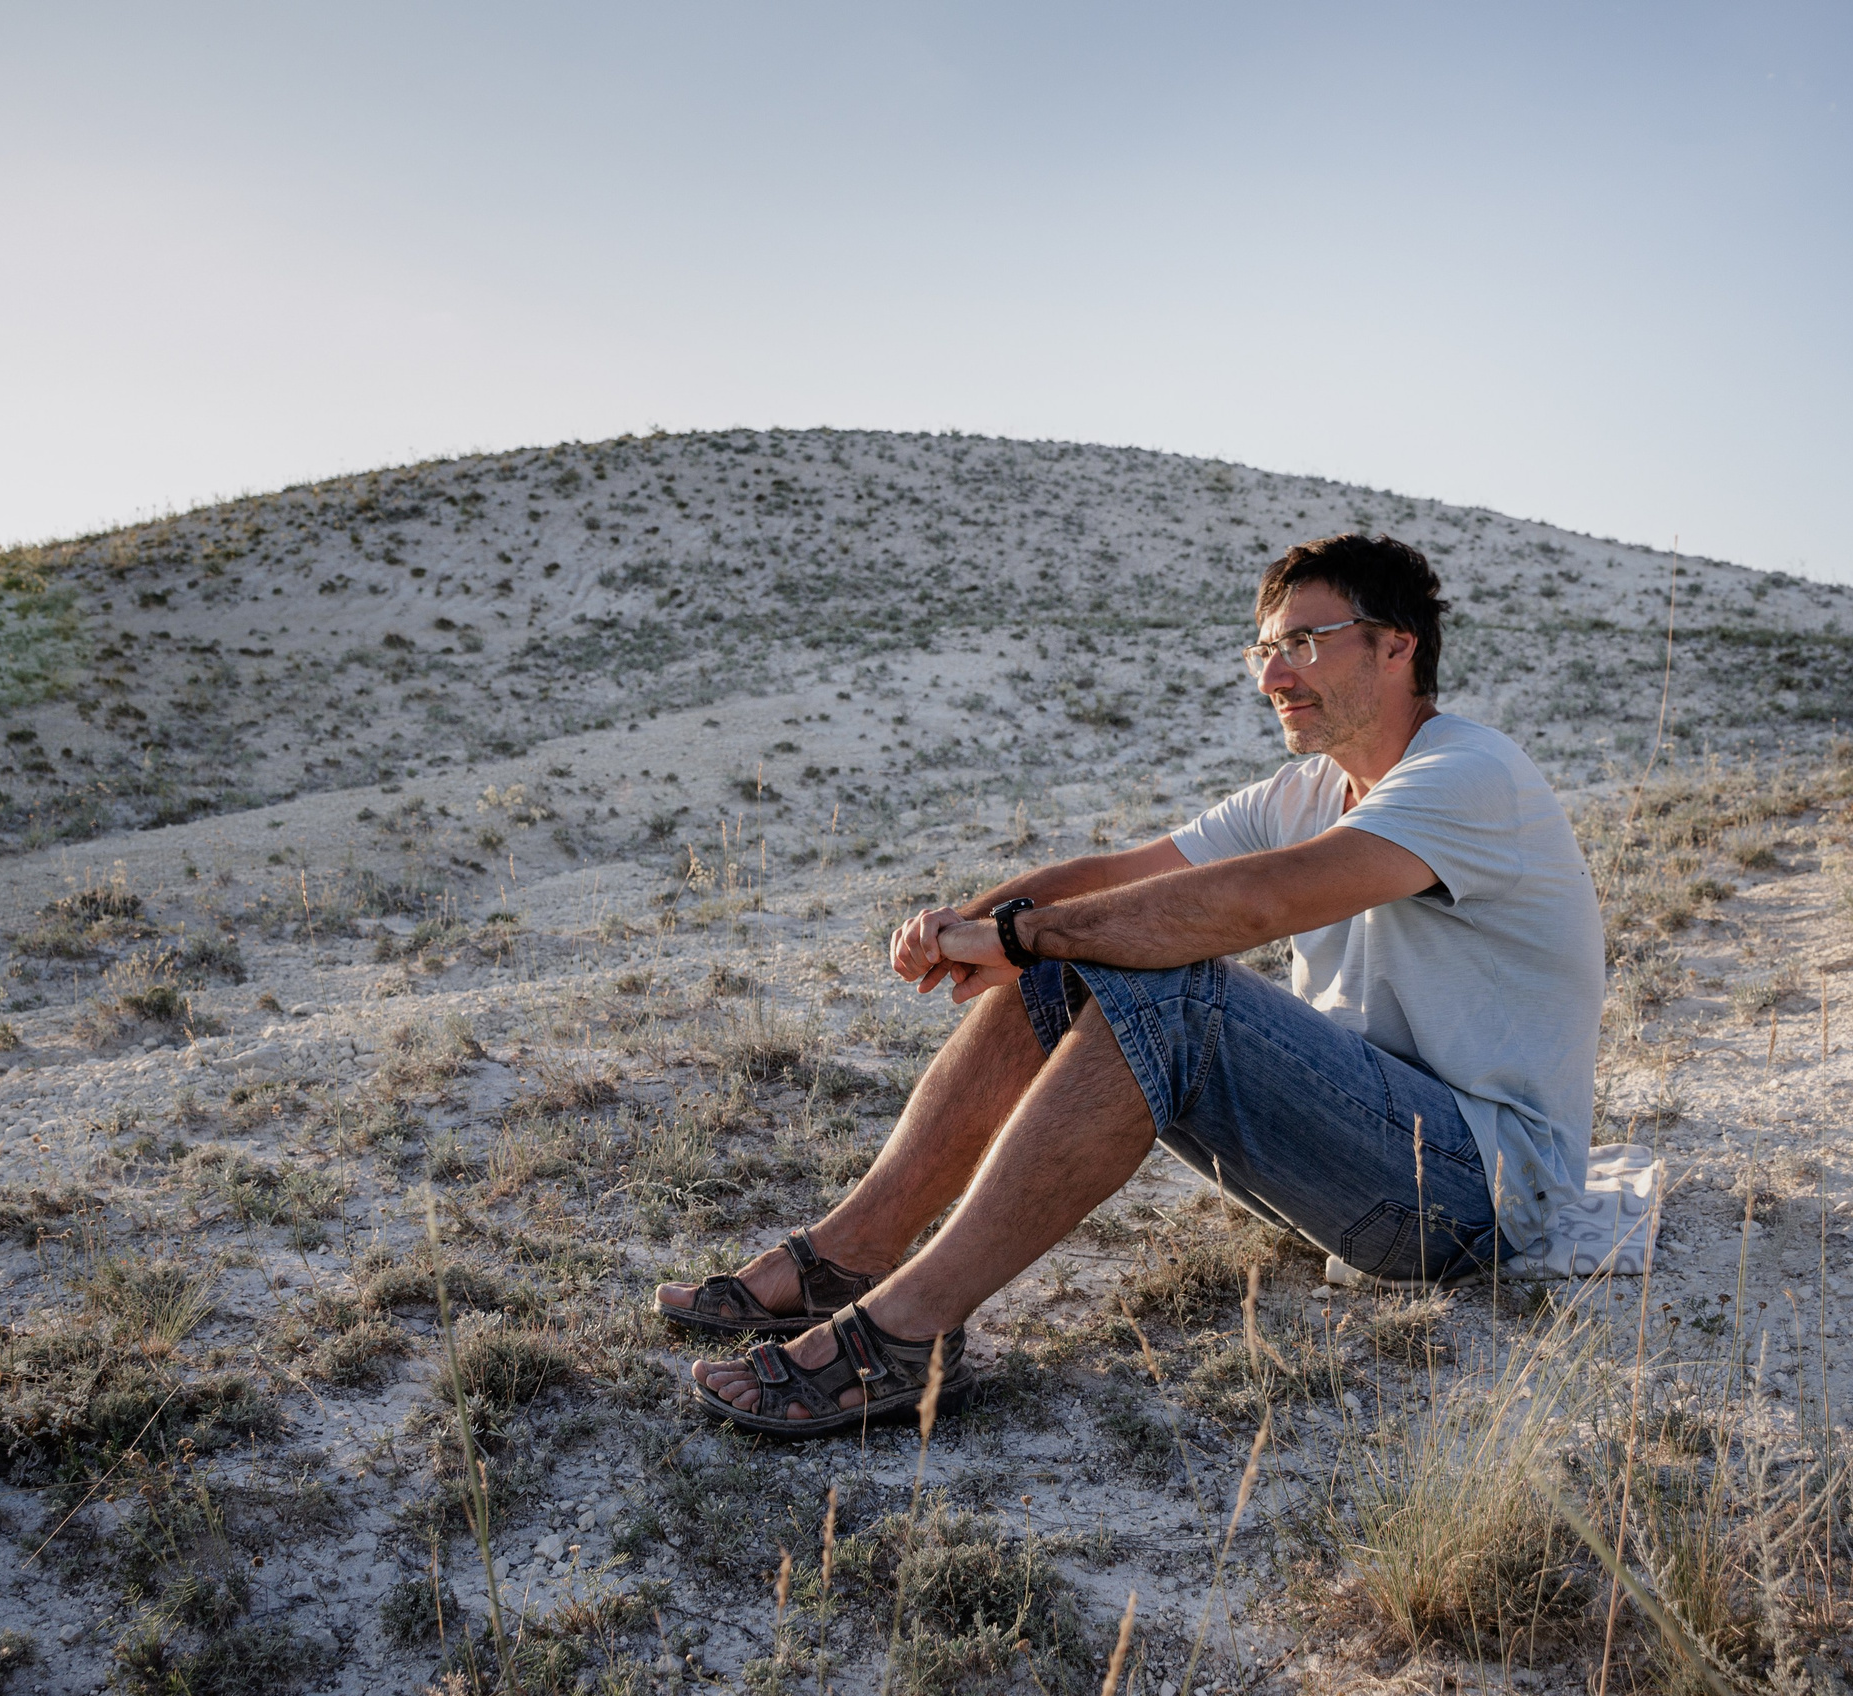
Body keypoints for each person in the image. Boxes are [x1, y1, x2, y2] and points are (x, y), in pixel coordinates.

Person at [657, 532, 1605, 1436]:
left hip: (1477, 1197)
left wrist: (1020, 936)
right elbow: (1123, 877)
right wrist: (968, 924)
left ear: (1395, 647)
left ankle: (905, 1334)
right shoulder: (1310, 789)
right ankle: (844, 1256)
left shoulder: (1470, 776)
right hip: (1365, 1156)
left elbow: (1250, 904)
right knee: (1090, 947)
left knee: (1168, 985)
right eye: (1265, 651)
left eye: (1305, 646)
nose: (1275, 677)